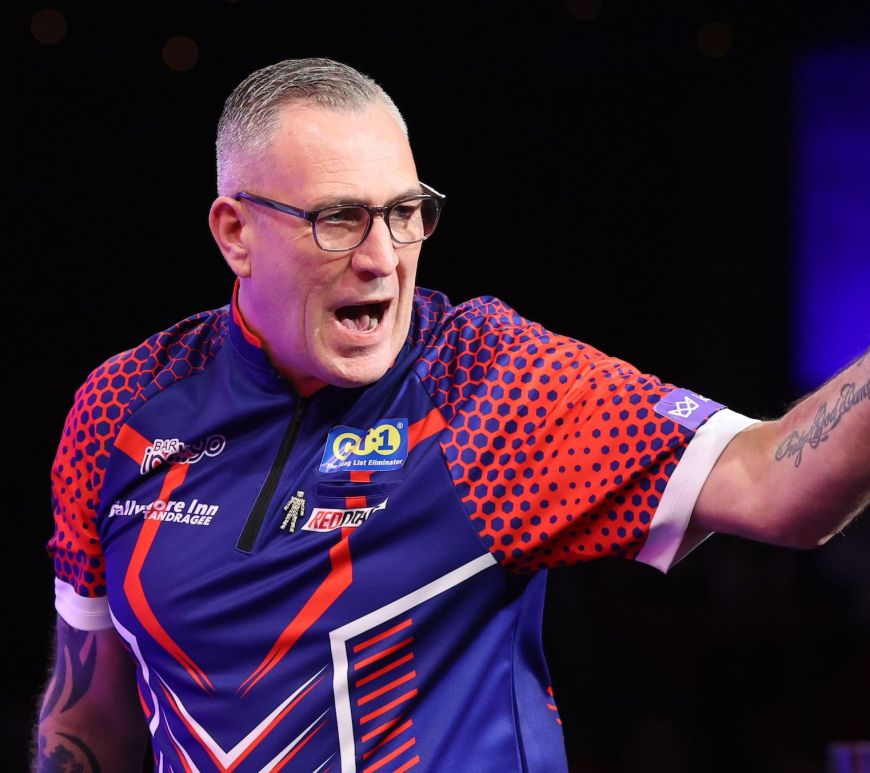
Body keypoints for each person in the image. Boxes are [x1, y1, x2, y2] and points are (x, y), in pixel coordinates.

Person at [34, 57, 869, 772]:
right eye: (339, 219)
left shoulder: (485, 384)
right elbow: (89, 718)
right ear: (235, 234)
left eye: (404, 214)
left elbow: (775, 484)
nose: (382, 258)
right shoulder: (121, 412)